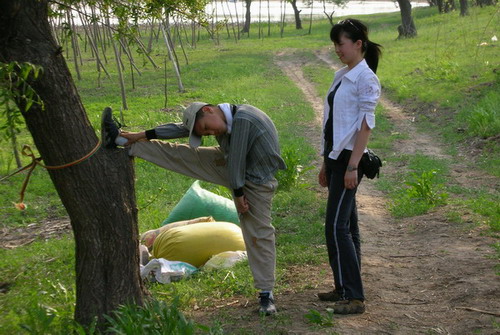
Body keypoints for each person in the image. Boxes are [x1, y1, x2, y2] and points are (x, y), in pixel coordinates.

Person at [101, 102, 286, 316]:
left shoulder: (244, 119)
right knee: (184, 154)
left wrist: (238, 195)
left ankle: (266, 293)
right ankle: (124, 141)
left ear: (208, 109)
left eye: (207, 128)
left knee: (258, 233)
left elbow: (236, 162)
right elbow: (180, 129)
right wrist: (138, 135)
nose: (210, 132)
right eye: (205, 132)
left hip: (256, 181)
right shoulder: (219, 116)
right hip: (232, 165)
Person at [317, 19, 382, 314]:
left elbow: (365, 126)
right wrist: (324, 161)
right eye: (335, 45)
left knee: (335, 227)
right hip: (335, 157)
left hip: (348, 159)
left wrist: (352, 166)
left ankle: (354, 297)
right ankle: (344, 288)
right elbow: (331, 122)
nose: (337, 50)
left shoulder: (366, 78)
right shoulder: (342, 75)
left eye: (341, 44)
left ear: (358, 44)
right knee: (347, 226)